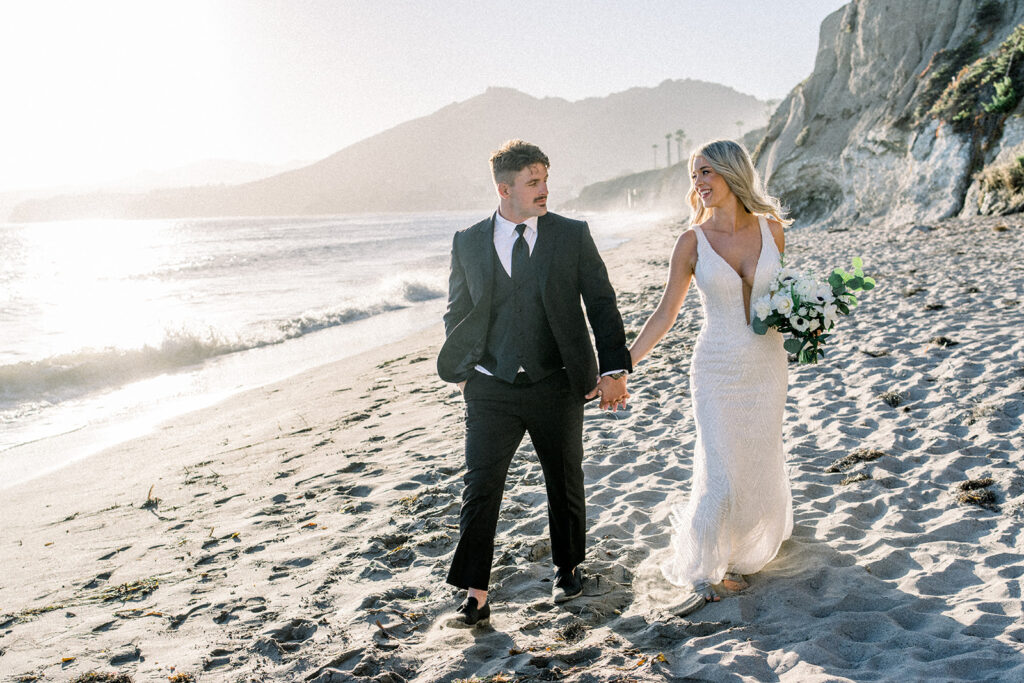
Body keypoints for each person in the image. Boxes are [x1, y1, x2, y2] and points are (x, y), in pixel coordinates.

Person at [437, 139, 632, 627]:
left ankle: (568, 569)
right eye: (533, 182)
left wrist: (613, 370)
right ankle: (476, 594)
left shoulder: (571, 235)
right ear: (505, 189)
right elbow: (457, 310)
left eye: (545, 179)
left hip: (557, 382)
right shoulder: (468, 241)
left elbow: (602, 304)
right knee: (480, 488)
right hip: (491, 386)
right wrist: (464, 375)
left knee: (564, 481)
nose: (545, 190)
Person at [628, 139, 793, 614]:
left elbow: (781, 301)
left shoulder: (772, 231)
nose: (698, 183)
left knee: (756, 459)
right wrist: (624, 365)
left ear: (732, 174)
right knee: (720, 470)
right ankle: (702, 567)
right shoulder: (691, 242)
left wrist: (807, 321)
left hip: (767, 366)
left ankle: (742, 551)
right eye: (694, 175)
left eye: (706, 173)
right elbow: (665, 314)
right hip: (716, 368)